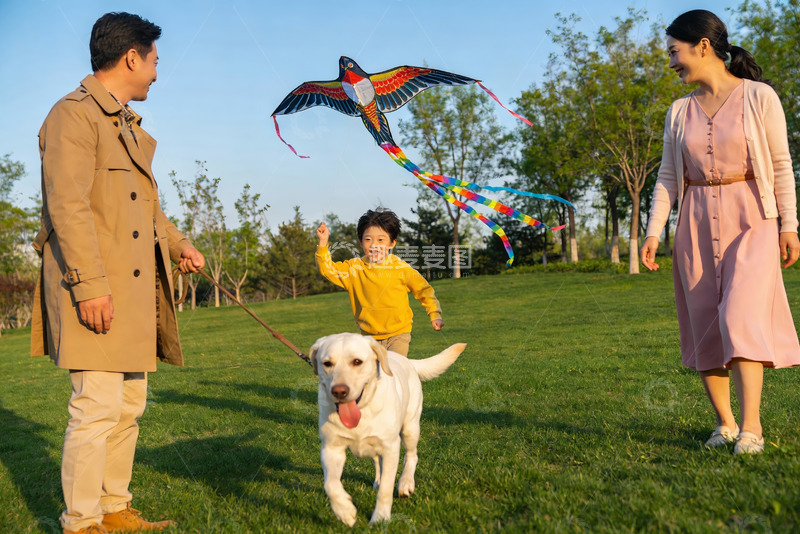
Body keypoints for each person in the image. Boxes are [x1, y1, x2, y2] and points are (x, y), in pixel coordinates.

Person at [30, 12, 205, 534]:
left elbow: (146, 208)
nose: (155, 72)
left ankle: (114, 509)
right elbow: (68, 208)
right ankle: (82, 523)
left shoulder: (124, 123)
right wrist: (88, 288)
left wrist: (178, 244)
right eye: (154, 61)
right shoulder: (73, 117)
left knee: (128, 407)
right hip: (97, 291)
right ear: (132, 56)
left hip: (134, 294)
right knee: (96, 409)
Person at [641, 10, 800, 455]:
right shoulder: (678, 112)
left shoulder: (759, 97)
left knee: (741, 317)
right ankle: (724, 425)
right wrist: (654, 232)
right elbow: (668, 179)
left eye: (675, 52)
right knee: (706, 322)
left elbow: (782, 165)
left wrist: (790, 225)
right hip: (693, 223)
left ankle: (752, 428)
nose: (671, 62)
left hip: (752, 219)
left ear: (703, 47)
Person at [315, 208, 443, 356]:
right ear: (361, 242)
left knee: (393, 371)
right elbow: (327, 270)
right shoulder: (354, 269)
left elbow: (424, 290)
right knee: (372, 376)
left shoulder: (401, 268)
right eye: (368, 239)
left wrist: (435, 313)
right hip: (368, 337)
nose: (374, 245)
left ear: (392, 243)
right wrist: (323, 243)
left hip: (398, 334)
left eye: (381, 240)